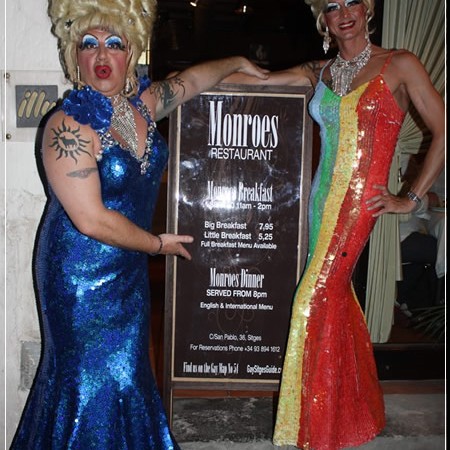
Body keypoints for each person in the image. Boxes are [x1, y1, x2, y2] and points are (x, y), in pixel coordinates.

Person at [10, 1, 268, 448]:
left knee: (128, 372)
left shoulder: (143, 106)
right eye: (88, 44)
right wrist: (156, 245)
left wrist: (237, 62)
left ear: (131, 52)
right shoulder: (67, 125)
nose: (102, 55)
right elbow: (91, 220)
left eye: (114, 43)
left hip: (127, 271)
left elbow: (190, 82)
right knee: (87, 381)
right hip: (79, 278)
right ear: (74, 55)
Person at [224, 0, 444, 448]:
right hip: (320, 199)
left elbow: (444, 129)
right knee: (334, 298)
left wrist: (411, 198)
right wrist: (220, 68)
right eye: (331, 5)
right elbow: (259, 79)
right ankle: (355, 410)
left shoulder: (399, 64)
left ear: (367, 9)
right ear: (322, 18)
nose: (344, 12)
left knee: (311, 300)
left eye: (352, 2)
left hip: (360, 205)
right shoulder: (319, 71)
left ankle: (314, 425)